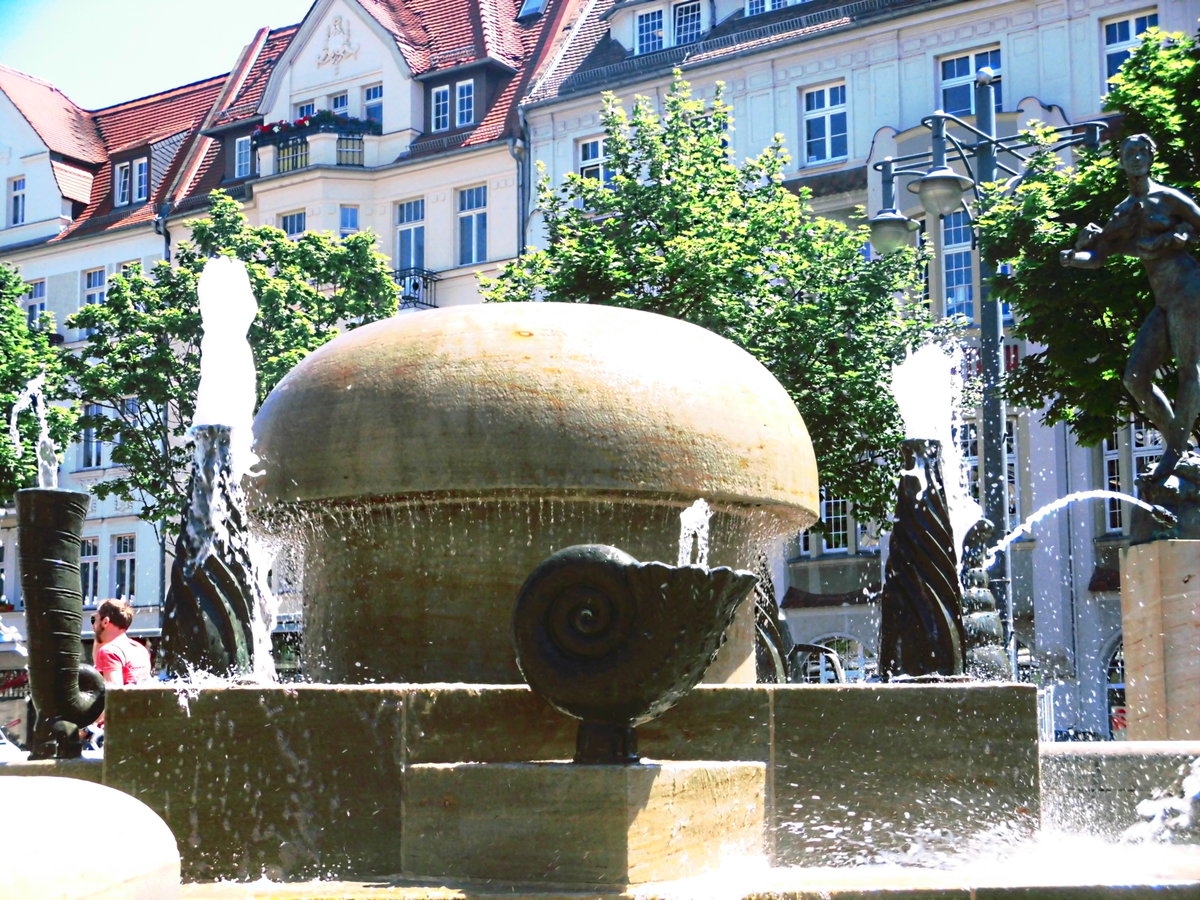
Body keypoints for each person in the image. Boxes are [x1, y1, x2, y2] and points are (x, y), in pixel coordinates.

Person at [1061, 134, 1200, 484]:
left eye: (1142, 152)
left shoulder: (1168, 198)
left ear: (1152, 158)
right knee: (1135, 378)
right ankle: (1182, 450)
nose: (1137, 157)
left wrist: (1181, 236)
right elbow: (1098, 257)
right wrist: (1072, 258)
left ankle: (1173, 457)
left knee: (1190, 371)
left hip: (1190, 290)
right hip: (1164, 300)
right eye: (1129, 152)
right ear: (1121, 160)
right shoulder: (1122, 212)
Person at [91, 598, 152, 687]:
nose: (93, 626)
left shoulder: (109, 652)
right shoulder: (140, 649)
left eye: (94, 619)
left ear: (105, 622)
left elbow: (114, 694)